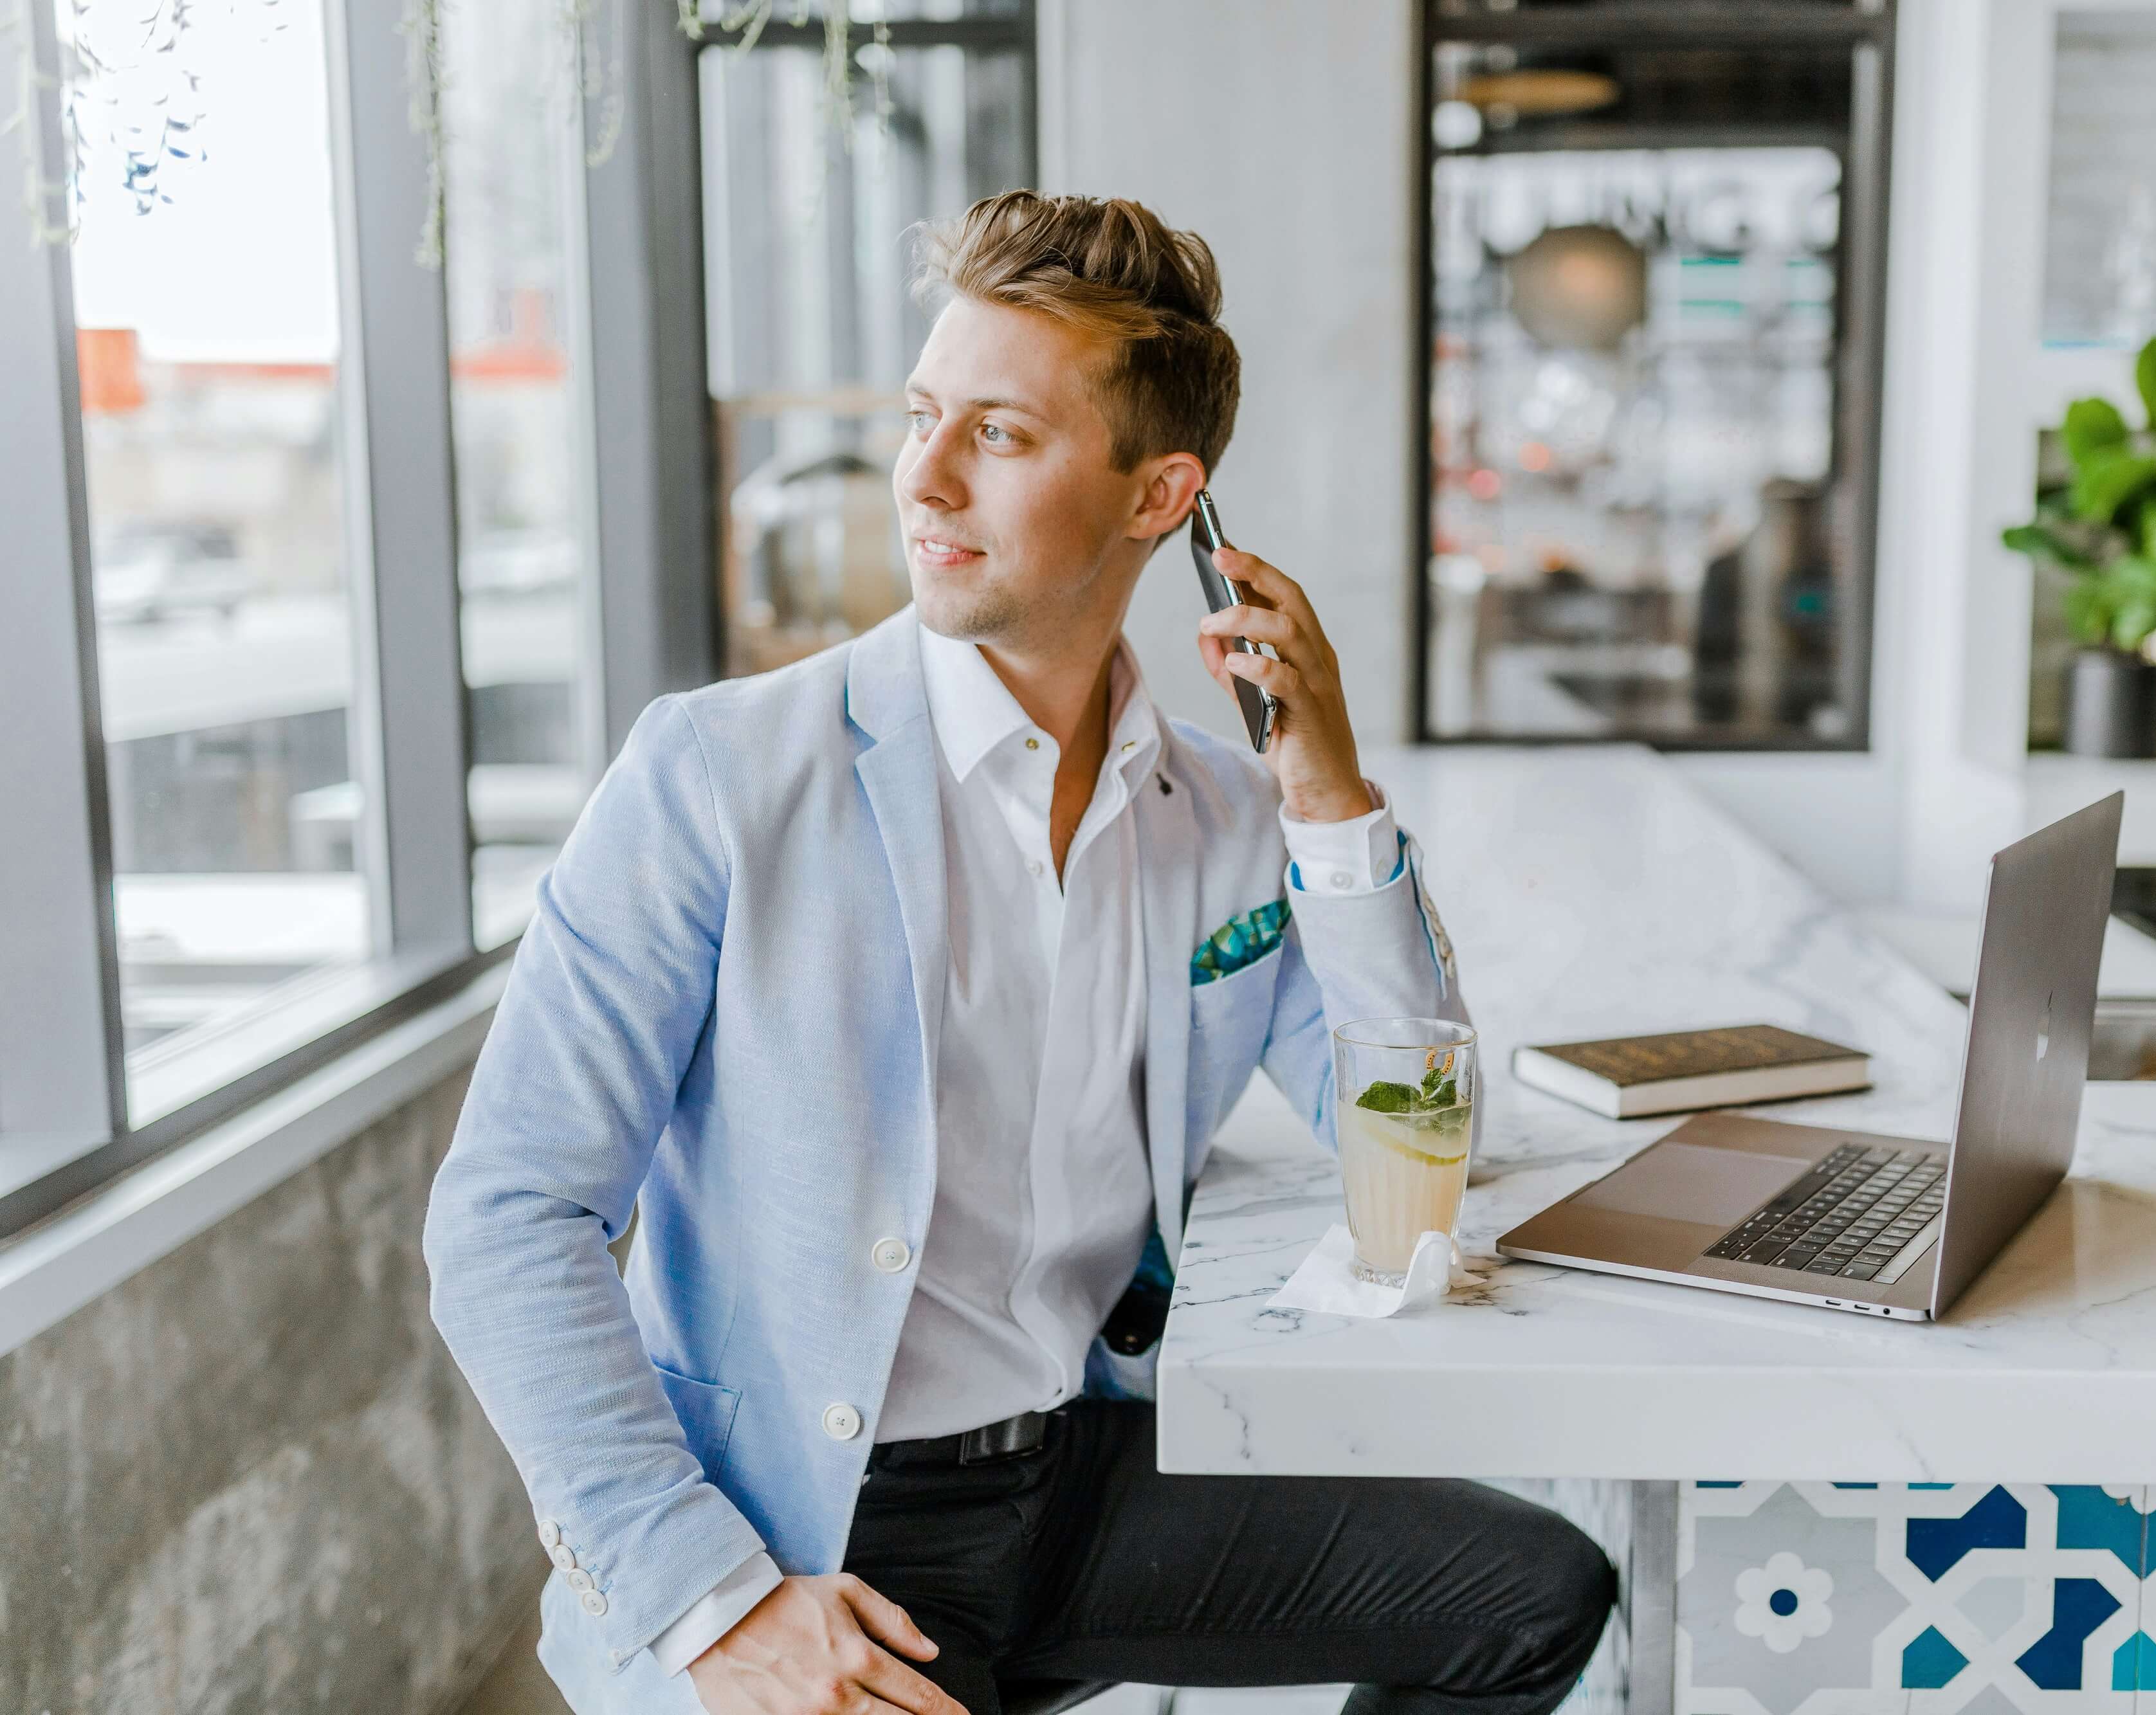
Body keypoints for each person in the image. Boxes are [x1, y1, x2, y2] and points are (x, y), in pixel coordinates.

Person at [424, 190, 1615, 1715]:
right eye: (924, 415)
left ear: (1156, 493)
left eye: (995, 434)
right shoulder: (718, 774)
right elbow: (508, 1216)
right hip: (815, 1535)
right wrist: (710, 1598)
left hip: (1078, 1473)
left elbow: (1415, 1141)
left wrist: (1327, 794)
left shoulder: (1225, 813)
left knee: (1531, 1597)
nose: (918, 476)